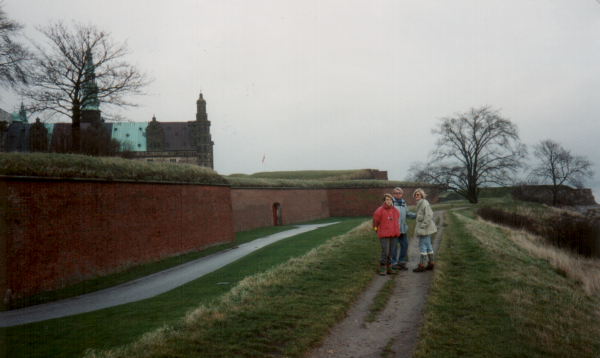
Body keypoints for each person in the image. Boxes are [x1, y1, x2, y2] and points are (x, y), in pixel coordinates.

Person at [372, 194, 400, 275]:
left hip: (393, 234)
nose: (389, 201)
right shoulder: (379, 211)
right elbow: (375, 223)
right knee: (385, 251)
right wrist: (377, 230)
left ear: (392, 201)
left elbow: (396, 220)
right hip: (384, 234)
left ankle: (389, 266)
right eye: (387, 199)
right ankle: (382, 266)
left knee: (391, 251)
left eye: (390, 200)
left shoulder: (396, 210)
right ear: (384, 201)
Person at [412, 188, 437, 273]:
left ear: (422, 195)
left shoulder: (424, 203)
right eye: (415, 195)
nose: (416, 196)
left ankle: (422, 265)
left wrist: (423, 226)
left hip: (424, 228)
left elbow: (429, 215)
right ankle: (431, 263)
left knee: (422, 245)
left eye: (418, 194)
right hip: (424, 228)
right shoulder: (420, 203)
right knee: (428, 245)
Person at [391, 187, 416, 270]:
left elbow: (407, 214)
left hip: (403, 229)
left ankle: (401, 262)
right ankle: (393, 263)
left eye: (399, 193)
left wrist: (418, 215)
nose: (398, 194)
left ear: (402, 194)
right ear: (393, 194)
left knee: (405, 245)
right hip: (394, 229)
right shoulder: (391, 203)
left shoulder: (403, 203)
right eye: (396, 193)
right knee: (394, 247)